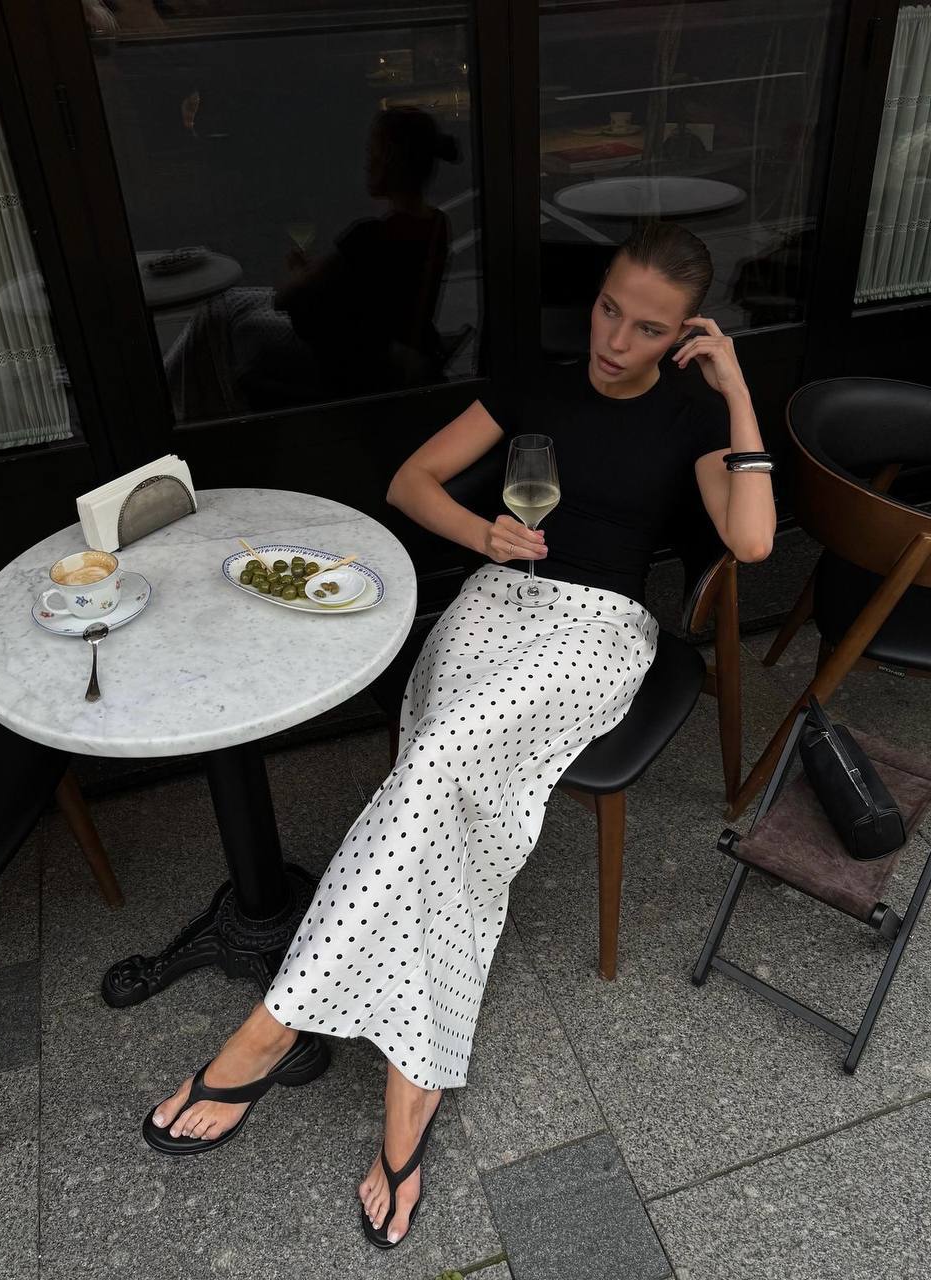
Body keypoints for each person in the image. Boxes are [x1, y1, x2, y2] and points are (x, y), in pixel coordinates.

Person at [142, 221, 777, 1250]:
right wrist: (482, 533)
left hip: (596, 634)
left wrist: (737, 388)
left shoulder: (695, 415)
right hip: (494, 603)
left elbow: (751, 537)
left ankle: (271, 1028)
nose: (616, 339)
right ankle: (414, 1088)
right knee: (443, 801)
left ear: (688, 334)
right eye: (609, 309)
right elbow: (410, 483)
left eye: (649, 328)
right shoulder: (538, 384)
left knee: (435, 763)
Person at [163, 106, 458, 419]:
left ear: (391, 160)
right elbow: (369, 288)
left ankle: (171, 402)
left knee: (218, 317)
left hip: (346, 356)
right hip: (371, 345)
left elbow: (286, 299)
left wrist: (298, 273)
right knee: (228, 304)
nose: (366, 162)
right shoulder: (436, 224)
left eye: (371, 152)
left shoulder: (370, 236)